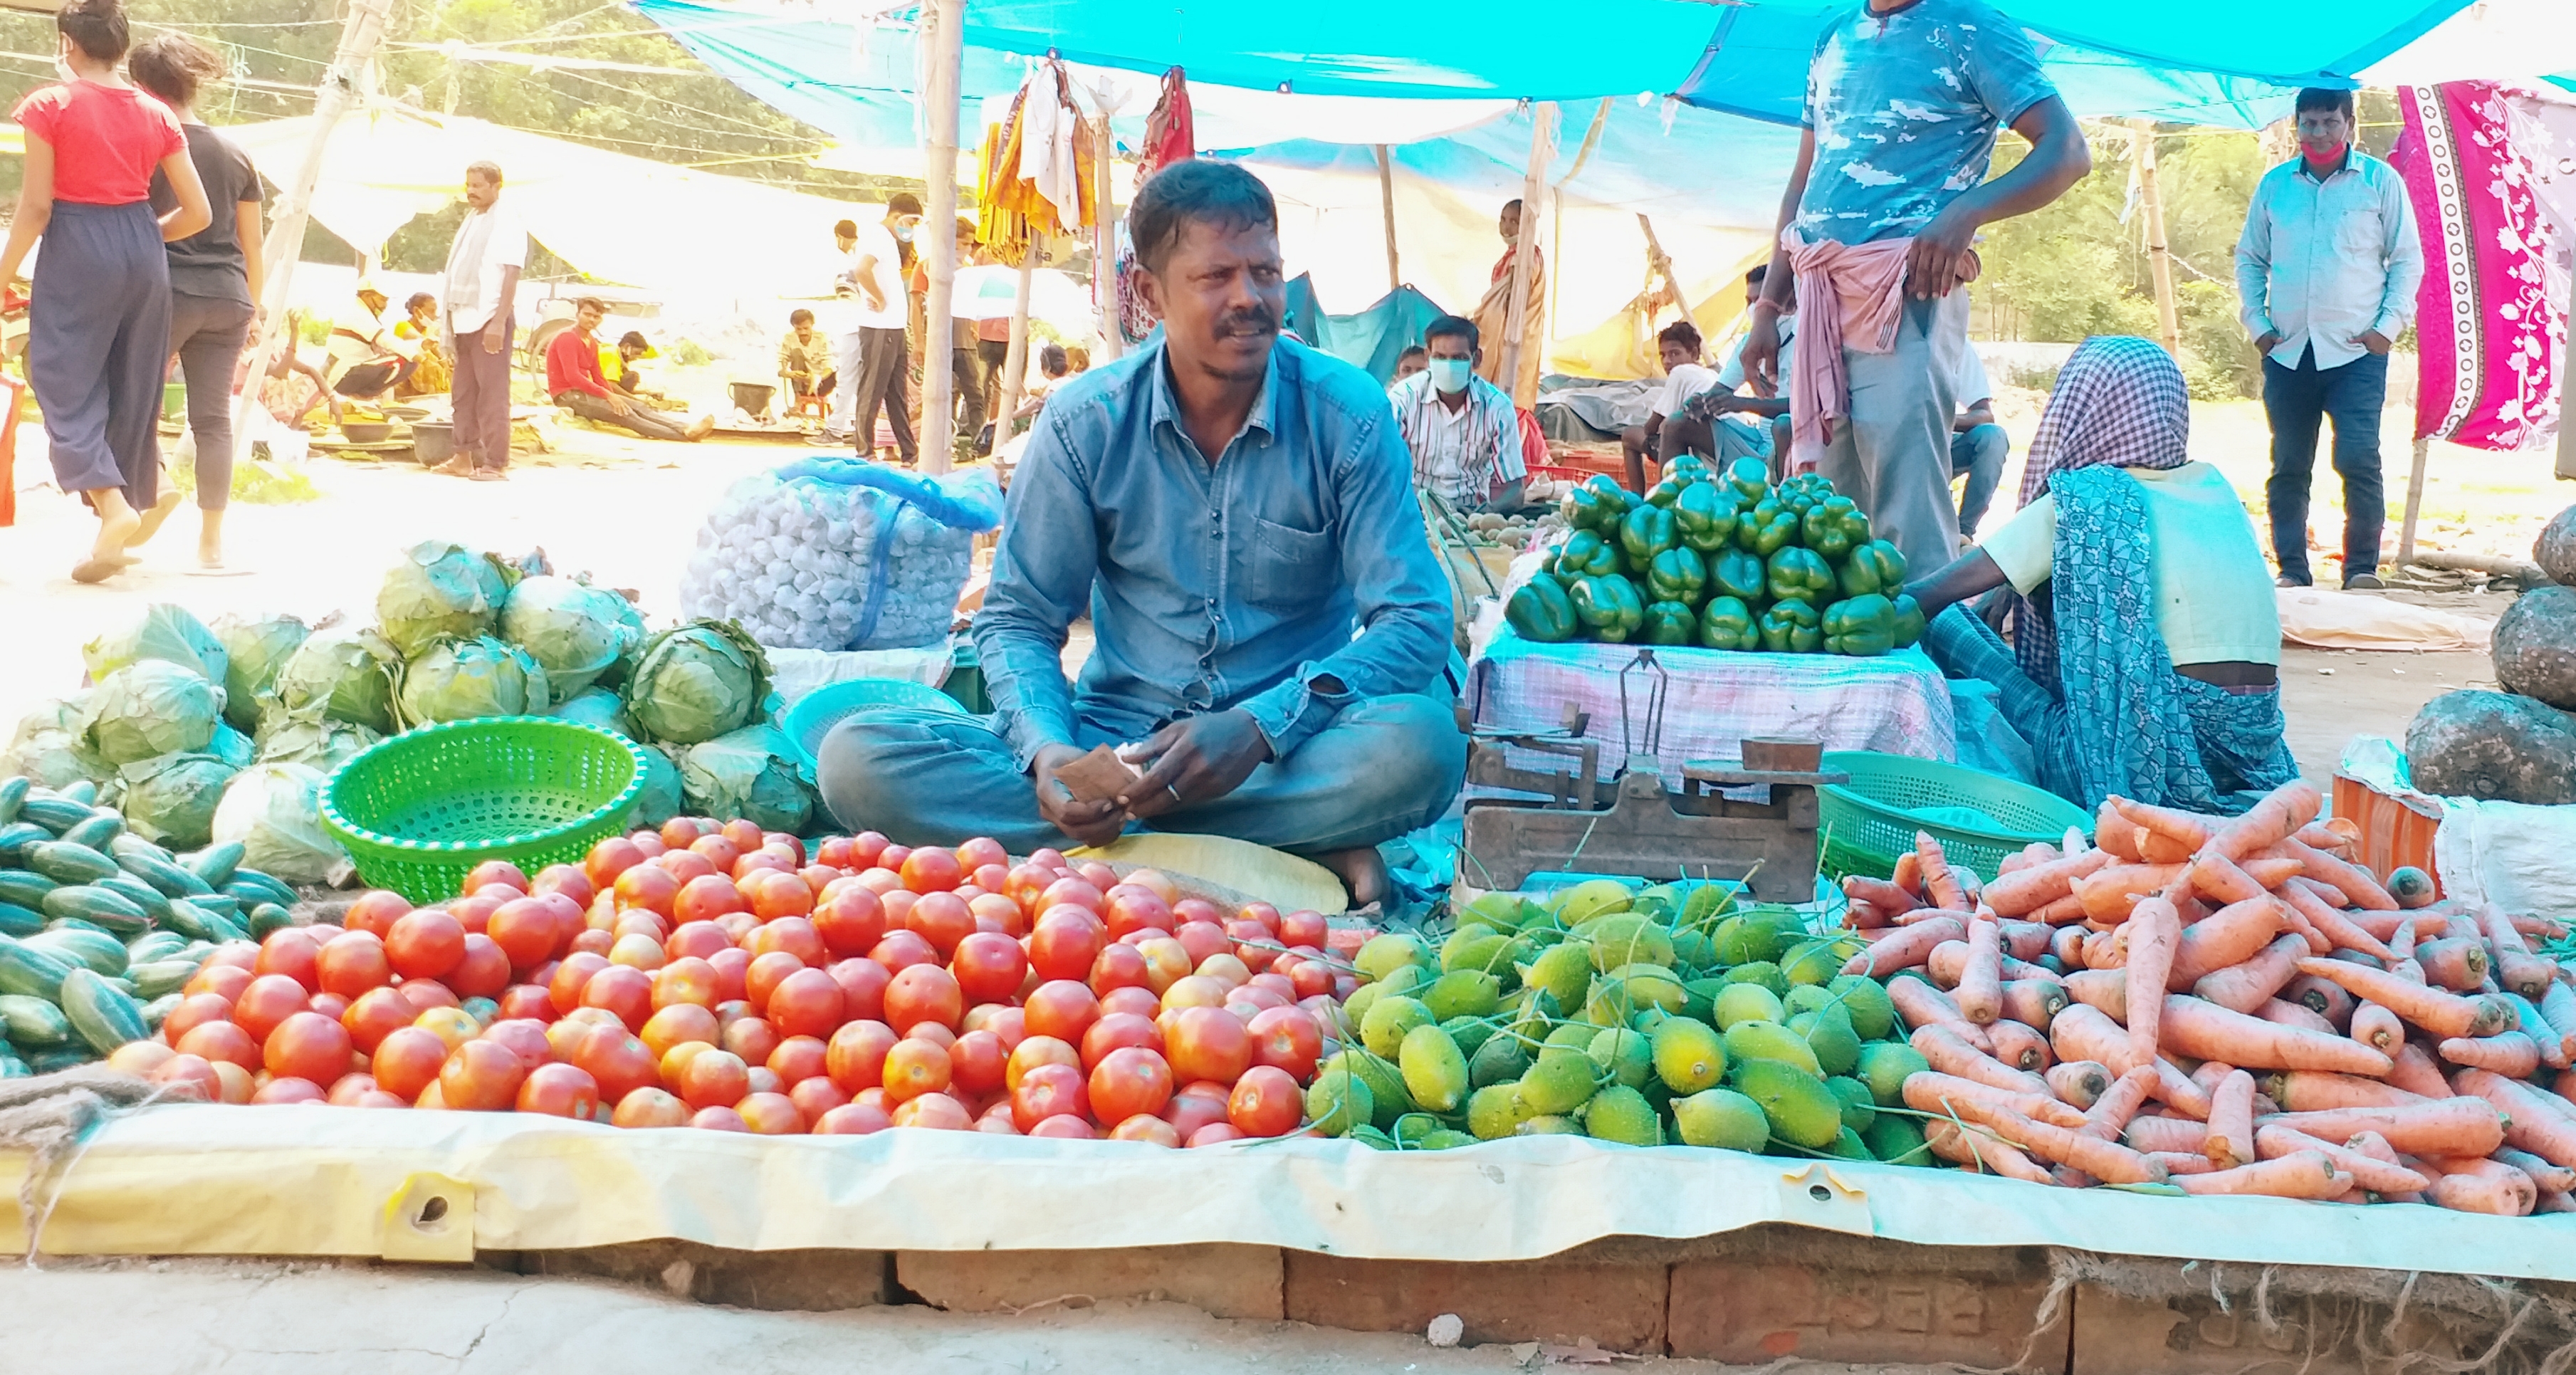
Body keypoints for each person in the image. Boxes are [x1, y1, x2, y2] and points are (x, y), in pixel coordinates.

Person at [815, 160, 1465, 906]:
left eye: (1266, 272)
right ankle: (1274, 850)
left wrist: (1258, 724)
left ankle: (1120, 853)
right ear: (1149, 292)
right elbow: (1020, 617)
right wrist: (1051, 752)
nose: (1250, 299)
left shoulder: (1346, 413)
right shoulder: (1084, 421)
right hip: (1114, 746)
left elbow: (1416, 620)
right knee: (859, 757)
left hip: (1286, 749)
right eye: (1216, 276)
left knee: (1421, 748)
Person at [1737, 0, 2089, 578]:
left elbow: (2068, 152)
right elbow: (1803, 181)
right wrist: (1769, 309)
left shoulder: (1974, 26)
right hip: (1821, 300)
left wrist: (1969, 210)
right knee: (1827, 515)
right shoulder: (1834, 36)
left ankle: (1924, 665)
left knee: (1906, 513)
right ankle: (1849, 666)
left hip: (1907, 293)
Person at [1902, 336, 2297, 815]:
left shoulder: (2086, 503)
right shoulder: (2218, 490)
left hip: (2127, 775)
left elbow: (1928, 596)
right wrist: (2010, 586)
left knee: (1945, 621)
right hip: (2253, 761)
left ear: (2082, 409)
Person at [0, 0, 209, 582]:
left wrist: (3, 273)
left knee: (62, 380)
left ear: (68, 43)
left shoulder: (49, 105)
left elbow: (37, 206)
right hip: (144, 249)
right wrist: (143, 236)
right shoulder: (158, 113)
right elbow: (198, 212)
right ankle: (140, 502)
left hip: (77, 244)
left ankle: (114, 507)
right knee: (129, 384)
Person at [2235, 87, 2422, 591]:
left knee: (2358, 457)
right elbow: (2251, 257)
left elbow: (2407, 258)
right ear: (2297, 126)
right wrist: (2260, 327)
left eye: (2328, 122)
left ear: (2350, 125)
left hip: (2357, 350)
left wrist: (2387, 329)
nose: (2318, 133)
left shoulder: (2380, 183)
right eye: (2309, 123)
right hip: (2289, 350)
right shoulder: (2276, 186)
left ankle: (2361, 568)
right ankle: (2293, 571)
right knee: (2290, 463)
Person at [131, 31, 257, 570]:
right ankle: (211, 544)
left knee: (131, 403)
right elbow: (251, 242)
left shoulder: (151, 142)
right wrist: (256, 306)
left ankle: (153, 489)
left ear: (143, 87)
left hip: (171, 291)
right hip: (230, 296)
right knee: (213, 421)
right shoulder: (235, 152)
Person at [436, 159, 523, 480]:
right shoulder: (472, 219)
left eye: (478, 186)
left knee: (493, 395)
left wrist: (499, 322)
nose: (471, 191)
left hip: (489, 319)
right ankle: (462, 458)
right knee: (462, 394)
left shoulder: (508, 221)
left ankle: (496, 464)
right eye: (468, 185)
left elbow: (511, 273)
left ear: (496, 186)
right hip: (462, 320)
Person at [1391, 315, 1527, 514]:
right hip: (1415, 510)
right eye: (1440, 357)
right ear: (1428, 357)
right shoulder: (1403, 399)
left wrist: (1483, 518)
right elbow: (1383, 470)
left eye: (1459, 358)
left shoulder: (1497, 407)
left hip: (1473, 511)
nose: (1448, 365)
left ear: (1476, 358)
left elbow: (1514, 487)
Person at [545, 297, 711, 442]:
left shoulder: (592, 342)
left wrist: (614, 396)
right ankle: (683, 436)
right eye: (587, 314)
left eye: (596, 316)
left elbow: (598, 376)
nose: (592, 320)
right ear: (578, 314)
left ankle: (686, 428)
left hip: (585, 392)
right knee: (626, 414)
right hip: (567, 395)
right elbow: (573, 376)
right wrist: (608, 395)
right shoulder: (567, 338)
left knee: (640, 407)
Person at [841, 193, 919, 464]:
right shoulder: (876, 235)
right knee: (872, 388)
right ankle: (865, 449)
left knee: (897, 394)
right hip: (879, 326)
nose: (912, 229)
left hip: (895, 327)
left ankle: (910, 452)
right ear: (897, 216)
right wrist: (879, 297)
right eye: (911, 222)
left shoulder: (889, 241)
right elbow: (863, 270)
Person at [1619, 320, 1715, 491]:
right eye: (1663, 355)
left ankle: (1639, 500)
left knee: (1629, 435)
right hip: (1719, 452)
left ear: (1693, 354)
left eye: (1674, 354)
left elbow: (1650, 428)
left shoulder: (1681, 373)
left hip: (1697, 459)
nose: (1667, 361)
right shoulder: (1712, 375)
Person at [1469, 198, 1545, 402]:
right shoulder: (1512, 255)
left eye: (1514, 221)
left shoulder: (1527, 256)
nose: (1507, 227)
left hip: (1517, 334)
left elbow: (1514, 300)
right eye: (1503, 219)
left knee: (1511, 390)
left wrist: (1487, 317)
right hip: (1504, 331)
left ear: (1527, 224)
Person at [1949, 343, 2009, 541]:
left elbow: (1984, 414)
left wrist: (1943, 421)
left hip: (1941, 446)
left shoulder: (1957, 343)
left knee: (1993, 437)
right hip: (1887, 447)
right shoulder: (1875, 337)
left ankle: (1963, 533)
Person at [323, 278, 416, 402]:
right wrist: (418, 356)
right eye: (382, 300)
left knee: (403, 357)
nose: (385, 306)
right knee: (404, 361)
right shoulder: (358, 314)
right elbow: (386, 340)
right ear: (367, 296)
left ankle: (362, 396)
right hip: (343, 375)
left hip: (344, 374)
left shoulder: (362, 314)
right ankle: (363, 395)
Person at [393, 291, 448, 395]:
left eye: (435, 311)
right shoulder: (402, 326)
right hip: (405, 378)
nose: (434, 316)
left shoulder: (431, 330)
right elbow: (422, 341)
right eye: (431, 311)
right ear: (417, 311)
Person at [779, 308, 827, 410]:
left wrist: (816, 378)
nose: (803, 332)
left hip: (822, 380)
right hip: (801, 380)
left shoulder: (821, 338)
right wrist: (787, 372)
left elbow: (830, 365)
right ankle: (798, 398)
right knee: (796, 353)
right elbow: (782, 360)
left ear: (812, 325)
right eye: (799, 329)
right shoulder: (789, 338)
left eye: (806, 328)